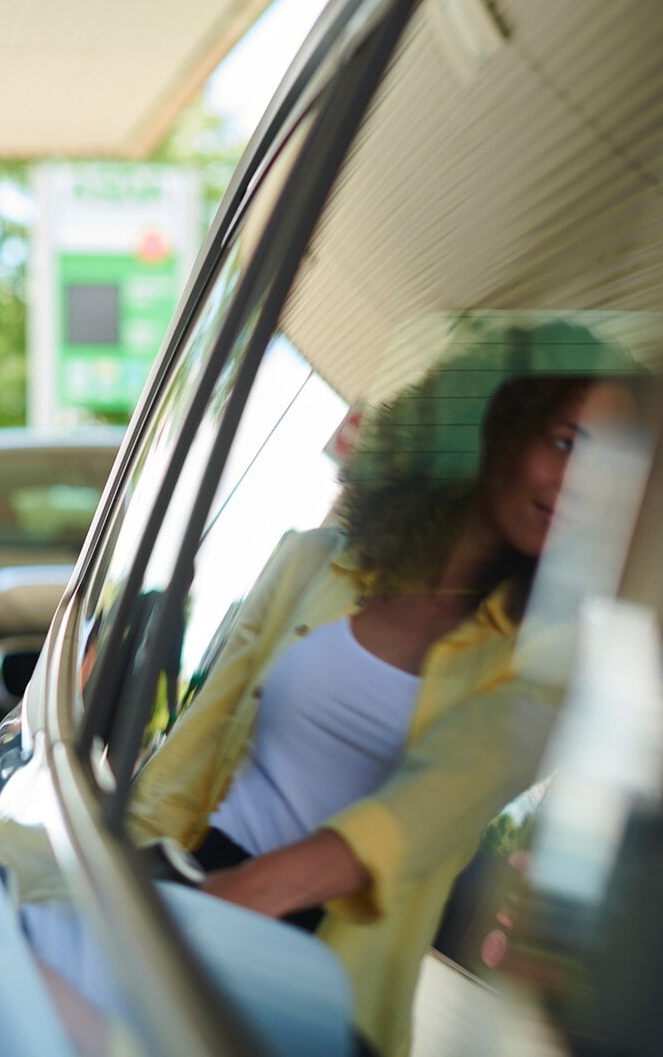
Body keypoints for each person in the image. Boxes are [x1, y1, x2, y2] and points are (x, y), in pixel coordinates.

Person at [128, 322, 641, 1056]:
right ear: (491, 425)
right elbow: (189, 757)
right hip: (191, 880)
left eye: (610, 466)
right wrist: (109, 883)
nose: (582, 484)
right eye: (564, 442)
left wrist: (247, 897)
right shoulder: (310, 563)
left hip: (322, 977)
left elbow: (430, 804)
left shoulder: (550, 662)